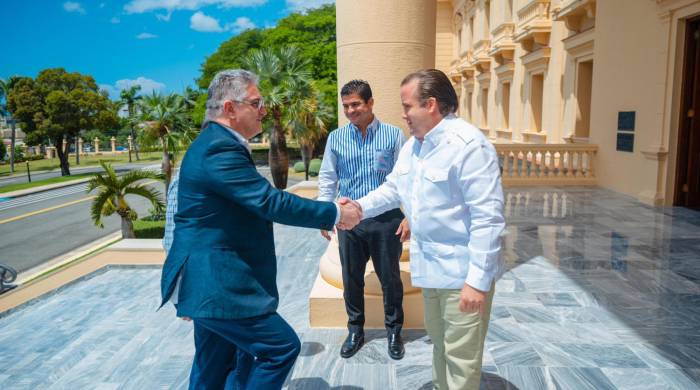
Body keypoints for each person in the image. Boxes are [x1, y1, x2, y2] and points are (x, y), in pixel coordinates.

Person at [159, 69, 362, 390]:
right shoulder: (218, 148)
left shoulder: (213, 142)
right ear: (229, 108)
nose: (264, 110)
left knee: (213, 365)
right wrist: (336, 212)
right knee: (279, 348)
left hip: (207, 285)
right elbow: (270, 202)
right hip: (219, 286)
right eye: (256, 102)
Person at [348, 69, 505, 389]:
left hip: (462, 274)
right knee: (440, 344)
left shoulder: (469, 146)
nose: (403, 114)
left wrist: (477, 282)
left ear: (430, 104)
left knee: (462, 355)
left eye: (407, 106)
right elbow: (393, 189)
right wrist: (358, 208)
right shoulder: (414, 147)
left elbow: (488, 219)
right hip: (431, 267)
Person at [317, 80, 409, 360]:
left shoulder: (394, 135)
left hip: (386, 220)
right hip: (349, 222)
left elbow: (405, 180)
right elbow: (327, 178)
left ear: (370, 103)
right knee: (351, 278)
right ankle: (355, 330)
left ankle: (394, 331)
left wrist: (410, 216)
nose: (350, 110)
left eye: (355, 104)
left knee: (390, 278)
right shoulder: (336, 138)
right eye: (346, 106)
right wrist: (324, 213)